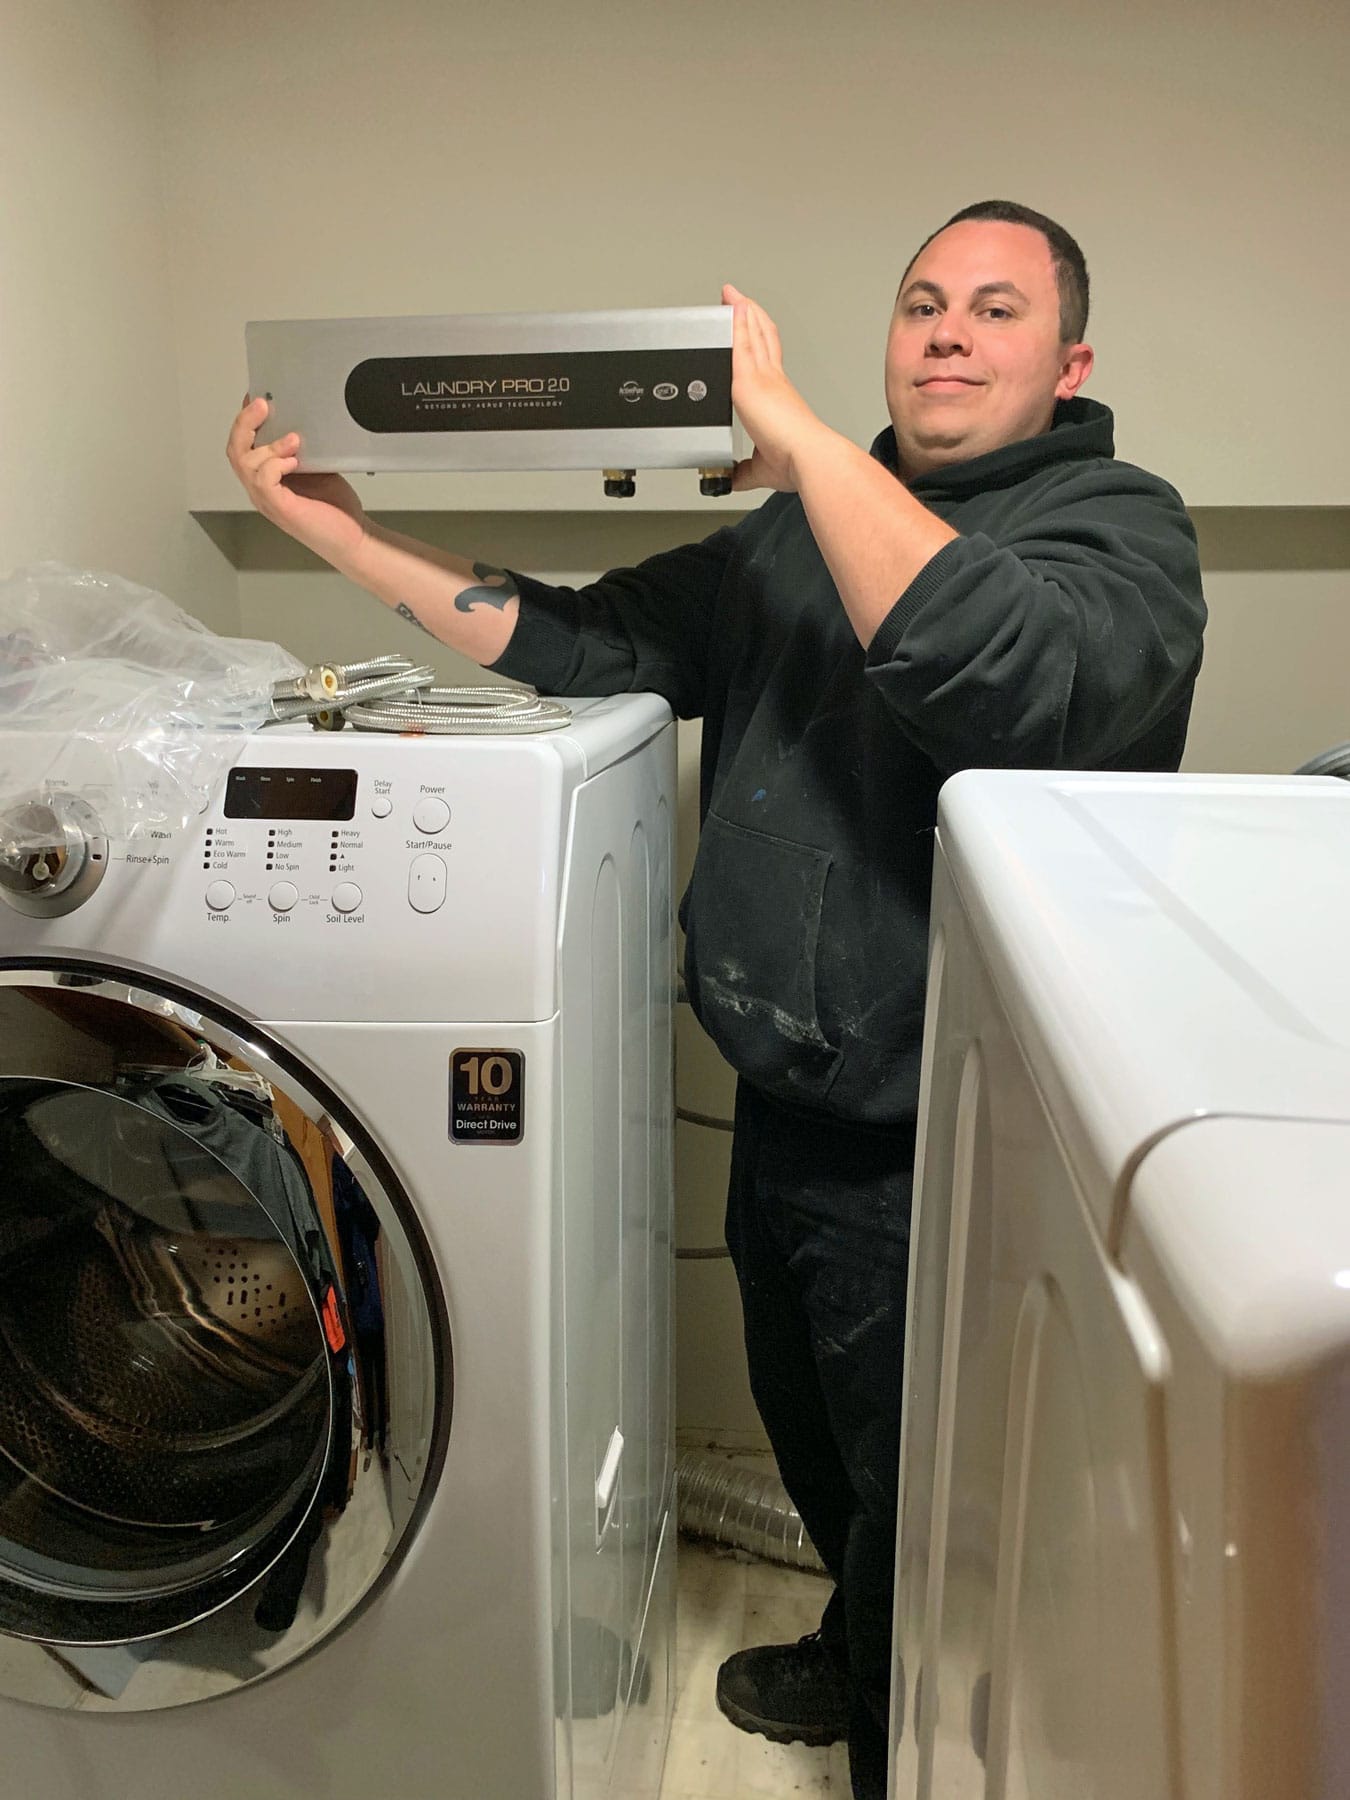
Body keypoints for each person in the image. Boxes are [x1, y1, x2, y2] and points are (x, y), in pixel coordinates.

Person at [227, 199, 1207, 1800]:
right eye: (918, 303)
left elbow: (988, 665)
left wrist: (816, 449)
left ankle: (918, 1735)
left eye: (992, 310)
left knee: (935, 1486)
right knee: (814, 1426)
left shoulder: (1118, 530)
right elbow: (586, 637)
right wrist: (340, 532)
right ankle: (855, 1638)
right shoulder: (790, 535)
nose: (945, 333)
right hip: (786, 1093)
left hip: (955, 1124)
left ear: (1067, 358)